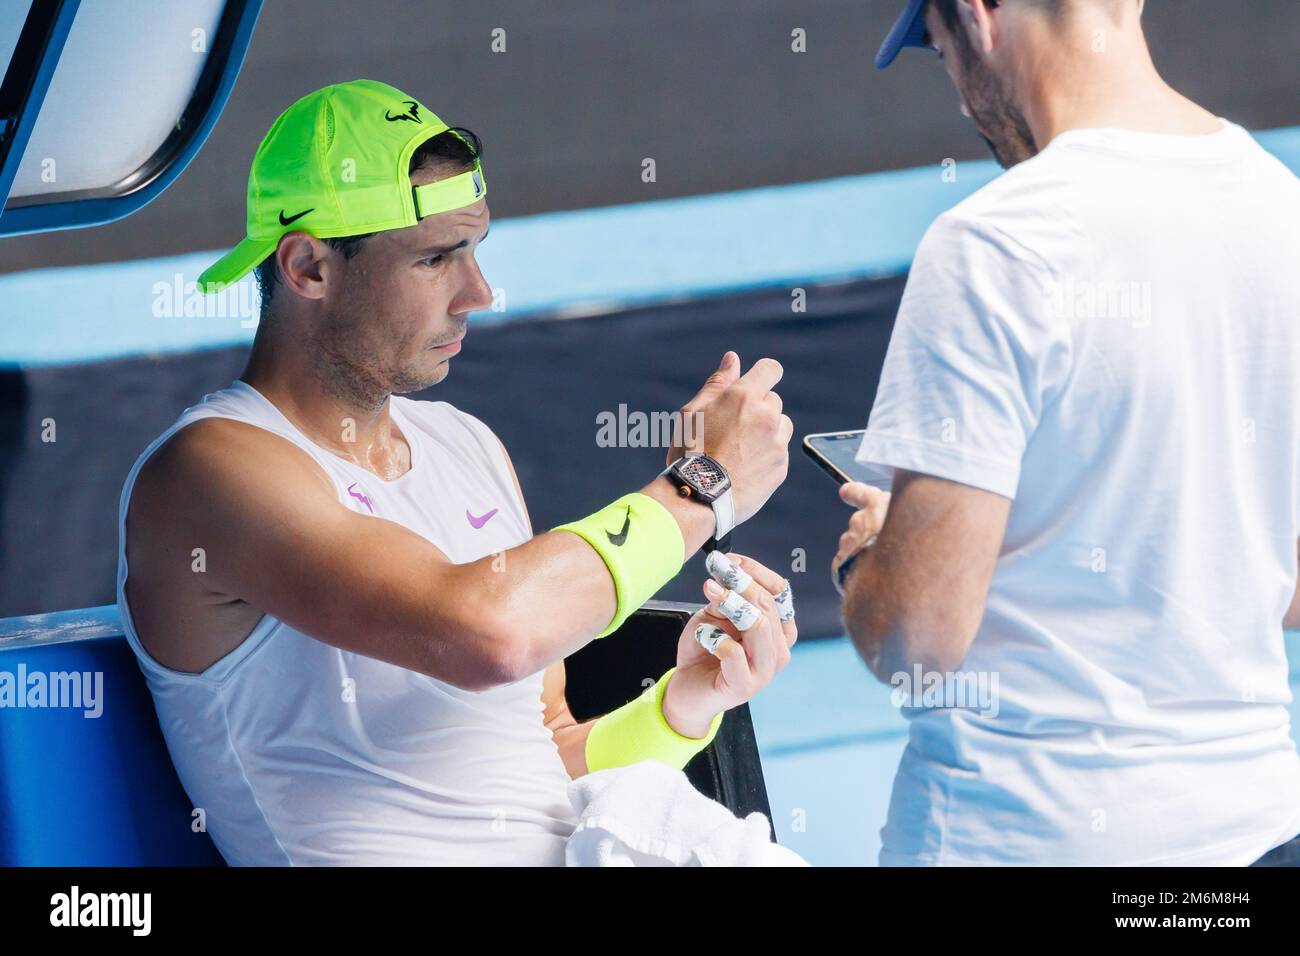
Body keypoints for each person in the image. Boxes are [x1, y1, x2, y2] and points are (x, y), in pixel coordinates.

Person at [116, 79, 797, 866]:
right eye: (436, 258)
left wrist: (682, 707)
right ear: (308, 267)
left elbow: (540, 764)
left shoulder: (468, 444)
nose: (477, 292)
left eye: (475, 250)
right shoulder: (207, 471)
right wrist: (700, 488)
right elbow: (485, 634)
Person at [832, 0, 1300, 864]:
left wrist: (875, 556)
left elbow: (915, 640)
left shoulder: (992, 244)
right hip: (1258, 830)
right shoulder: (1283, 207)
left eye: (943, 58)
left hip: (1023, 839)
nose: (963, 104)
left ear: (977, 16)